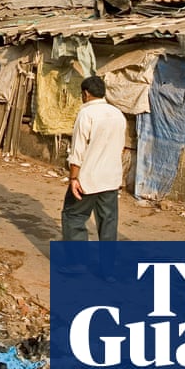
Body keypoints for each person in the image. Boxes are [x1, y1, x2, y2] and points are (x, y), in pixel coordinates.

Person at [62, 76, 127, 243]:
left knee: (74, 215)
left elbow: (78, 151)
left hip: (87, 179)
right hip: (111, 179)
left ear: (86, 93)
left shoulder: (86, 114)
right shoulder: (118, 114)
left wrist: (73, 178)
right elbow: (120, 147)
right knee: (108, 222)